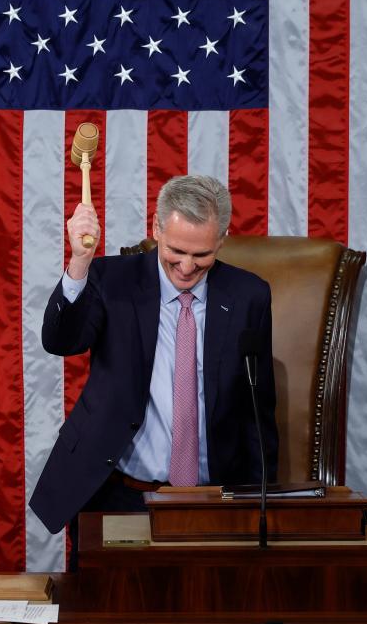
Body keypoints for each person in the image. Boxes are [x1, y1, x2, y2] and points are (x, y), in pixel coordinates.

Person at [29, 174, 278, 562]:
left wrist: (262, 509)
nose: (186, 266)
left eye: (202, 255)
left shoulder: (249, 296)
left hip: (211, 500)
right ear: (157, 228)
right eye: (176, 250)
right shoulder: (113, 280)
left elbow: (257, 412)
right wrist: (79, 261)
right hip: (118, 492)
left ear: (222, 239)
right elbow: (60, 341)